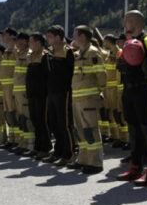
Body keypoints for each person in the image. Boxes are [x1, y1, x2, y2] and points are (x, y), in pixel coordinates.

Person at [116, 10, 147, 185]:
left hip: (145, 89)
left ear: (136, 22)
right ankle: (135, 167)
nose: (124, 24)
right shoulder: (128, 42)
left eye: (126, 21)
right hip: (129, 90)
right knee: (133, 129)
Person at [70, 25, 107, 174]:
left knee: (90, 130)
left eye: (75, 34)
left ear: (83, 37)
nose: (73, 38)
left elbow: (101, 75)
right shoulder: (79, 54)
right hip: (78, 98)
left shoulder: (93, 53)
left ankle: (95, 163)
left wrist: (100, 91)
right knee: (80, 130)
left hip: (88, 98)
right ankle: (84, 160)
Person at [43, 25, 75, 165]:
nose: (47, 39)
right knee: (54, 123)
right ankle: (58, 151)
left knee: (65, 124)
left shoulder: (68, 51)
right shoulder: (48, 52)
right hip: (51, 91)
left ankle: (69, 154)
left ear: (57, 37)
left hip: (64, 92)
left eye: (50, 36)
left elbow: (72, 73)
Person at [26, 32, 51, 160]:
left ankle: (45, 148)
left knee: (42, 121)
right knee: (35, 120)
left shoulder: (45, 56)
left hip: (42, 95)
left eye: (31, 41)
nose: (28, 44)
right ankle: (37, 147)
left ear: (38, 43)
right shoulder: (30, 56)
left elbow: (48, 77)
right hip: (31, 94)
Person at [12, 32, 35, 156]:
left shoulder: (29, 55)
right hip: (18, 91)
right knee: (21, 118)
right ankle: (22, 143)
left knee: (27, 118)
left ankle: (30, 145)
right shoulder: (19, 54)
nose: (18, 44)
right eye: (17, 42)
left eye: (20, 42)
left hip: (24, 92)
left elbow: (30, 76)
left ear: (26, 41)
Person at [0, 28, 19, 150]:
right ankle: (11, 138)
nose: (2, 37)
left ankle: (17, 139)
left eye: (4, 34)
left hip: (12, 86)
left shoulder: (16, 50)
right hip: (5, 87)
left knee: (14, 113)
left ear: (11, 36)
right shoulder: (7, 50)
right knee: (8, 113)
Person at [102, 34, 123, 147]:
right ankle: (115, 136)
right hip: (108, 88)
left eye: (105, 41)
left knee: (117, 113)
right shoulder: (110, 53)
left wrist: (117, 88)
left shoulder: (118, 52)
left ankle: (122, 138)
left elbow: (117, 72)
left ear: (109, 41)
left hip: (114, 88)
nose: (104, 43)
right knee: (111, 113)